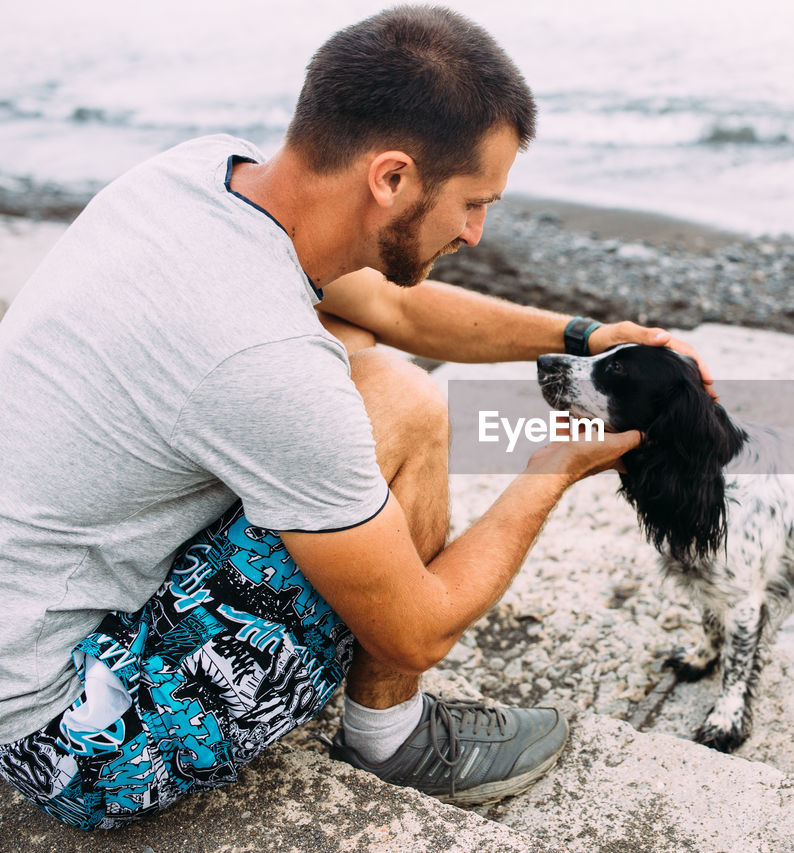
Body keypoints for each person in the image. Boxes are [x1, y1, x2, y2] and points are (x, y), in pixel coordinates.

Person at [0, 5, 713, 829]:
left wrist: (582, 334)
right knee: (405, 405)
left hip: (24, 605)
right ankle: (394, 736)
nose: (477, 233)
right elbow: (420, 629)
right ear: (393, 179)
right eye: (473, 202)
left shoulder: (194, 175)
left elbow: (389, 306)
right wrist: (556, 464)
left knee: (354, 332)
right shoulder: (261, 358)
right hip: (70, 730)